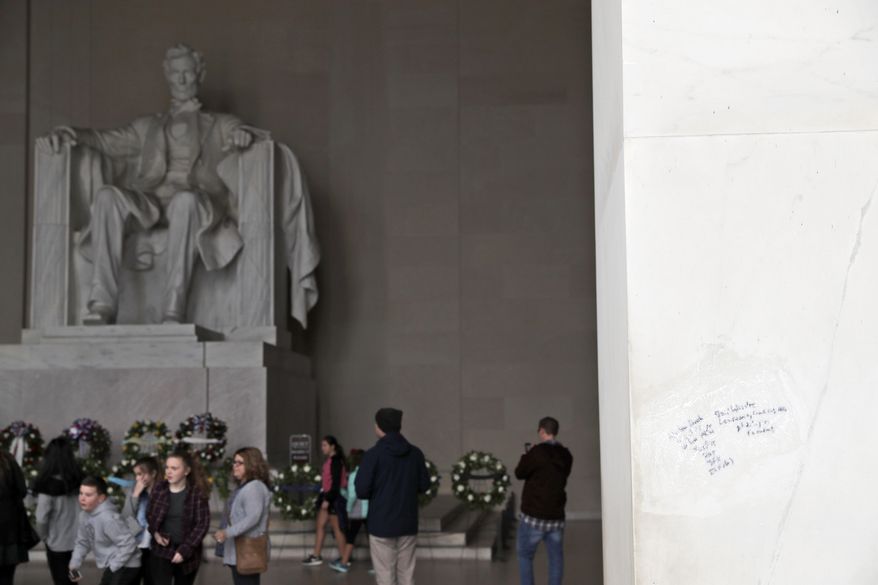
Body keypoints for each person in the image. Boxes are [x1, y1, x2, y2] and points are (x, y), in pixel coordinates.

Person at [37, 43, 255, 325]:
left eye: (187, 72)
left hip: (196, 202)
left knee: (185, 201)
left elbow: (246, 134)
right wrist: (68, 134)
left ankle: (173, 310)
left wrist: (244, 137)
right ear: (167, 75)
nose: (181, 79)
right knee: (107, 196)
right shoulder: (147, 126)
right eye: (175, 72)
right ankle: (102, 304)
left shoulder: (221, 123)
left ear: (199, 75)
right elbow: (105, 140)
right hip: (151, 202)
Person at [355, 408, 430, 585]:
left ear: (379, 426)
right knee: (407, 575)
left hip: (381, 523)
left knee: (385, 576)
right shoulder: (415, 453)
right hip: (408, 521)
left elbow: (361, 490)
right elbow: (424, 485)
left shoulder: (373, 455)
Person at [514, 416, 573, 585]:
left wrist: (528, 455)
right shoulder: (566, 454)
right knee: (556, 559)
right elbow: (562, 474)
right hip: (556, 516)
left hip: (533, 516)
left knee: (525, 556)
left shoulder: (536, 452)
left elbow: (519, 473)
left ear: (541, 430)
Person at [147, 452, 210, 585]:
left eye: (174, 468)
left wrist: (184, 550)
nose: (169, 472)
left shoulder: (197, 493)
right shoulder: (159, 488)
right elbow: (150, 515)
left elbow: (202, 525)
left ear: (186, 471)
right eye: (167, 467)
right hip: (161, 550)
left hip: (188, 552)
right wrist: (156, 534)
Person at [214, 447, 272, 584]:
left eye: (240, 463)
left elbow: (253, 518)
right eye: (234, 462)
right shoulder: (245, 486)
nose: (235, 466)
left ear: (252, 464)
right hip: (241, 550)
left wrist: (227, 532)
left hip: (247, 550)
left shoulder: (254, 487)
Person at [68, 475, 141, 585]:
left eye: (88, 495)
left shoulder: (108, 518)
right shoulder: (84, 516)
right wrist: (75, 564)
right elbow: (82, 542)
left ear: (101, 498)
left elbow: (129, 543)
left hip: (126, 565)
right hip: (115, 565)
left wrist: (113, 566)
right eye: (81, 493)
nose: (82, 498)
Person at [33, 437, 84, 585]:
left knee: (61, 580)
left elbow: (41, 518)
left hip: (57, 544)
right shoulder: (80, 480)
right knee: (73, 578)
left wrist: (43, 537)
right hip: (78, 541)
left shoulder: (47, 486)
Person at [302, 436, 348, 566]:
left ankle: (345, 558)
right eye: (322, 445)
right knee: (320, 525)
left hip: (333, 498)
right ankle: (316, 555)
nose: (322, 448)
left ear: (332, 446)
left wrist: (328, 499)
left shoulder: (336, 461)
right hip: (328, 496)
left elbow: (335, 483)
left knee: (337, 528)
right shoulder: (331, 460)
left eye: (325, 445)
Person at [0, 451, 39, 585]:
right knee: (6, 577)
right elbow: (22, 489)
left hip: (9, 528)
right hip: (9, 529)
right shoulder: (8, 460)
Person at [120, 457, 160, 585]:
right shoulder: (133, 491)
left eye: (141, 474)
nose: (137, 478)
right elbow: (126, 517)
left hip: (154, 548)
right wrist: (135, 495)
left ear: (153, 473)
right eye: (136, 474)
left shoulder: (162, 492)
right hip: (135, 547)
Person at [330, 448, 369, 574]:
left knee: (351, 537)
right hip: (370, 511)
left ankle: (344, 563)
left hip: (357, 512)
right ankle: (379, 565)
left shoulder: (353, 475)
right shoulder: (370, 473)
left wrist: (347, 509)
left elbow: (352, 495)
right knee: (372, 538)